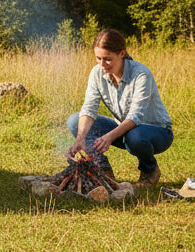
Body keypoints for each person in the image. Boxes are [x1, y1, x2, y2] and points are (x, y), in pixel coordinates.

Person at [67, 28, 174, 188]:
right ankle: (102, 170)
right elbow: (89, 108)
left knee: (135, 136)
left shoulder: (141, 75)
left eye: (107, 59)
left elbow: (135, 116)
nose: (102, 64)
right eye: (98, 58)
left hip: (156, 132)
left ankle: (150, 170)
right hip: (124, 129)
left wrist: (109, 137)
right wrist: (80, 138)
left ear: (122, 54)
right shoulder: (97, 73)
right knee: (75, 121)